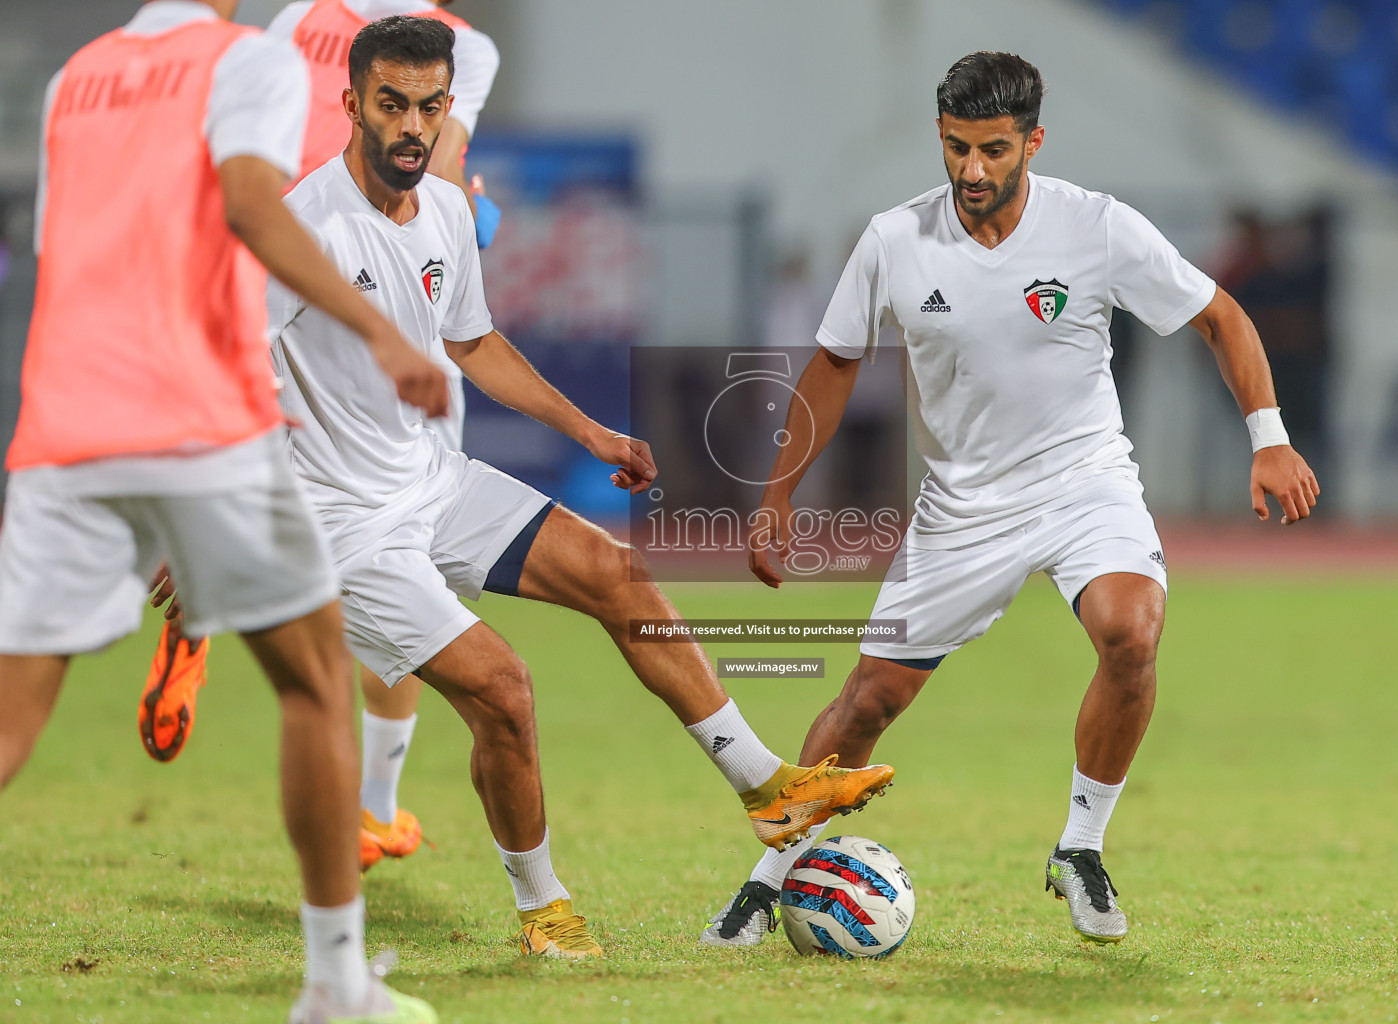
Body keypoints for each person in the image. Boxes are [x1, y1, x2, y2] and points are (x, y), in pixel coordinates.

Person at [270, 16, 895, 958]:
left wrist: (592, 430)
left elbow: (473, 343)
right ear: (350, 103)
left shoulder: (441, 210)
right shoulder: (301, 228)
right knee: (504, 692)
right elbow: (221, 365)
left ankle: (768, 790)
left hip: (431, 482)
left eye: (429, 109)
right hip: (346, 529)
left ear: (448, 113)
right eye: (390, 104)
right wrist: (203, 519)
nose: (411, 126)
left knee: (618, 574)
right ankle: (542, 908)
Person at [699, 51, 1319, 949]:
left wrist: (1270, 439)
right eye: (955, 149)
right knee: (869, 702)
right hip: (962, 506)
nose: (972, 171)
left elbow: (1220, 314)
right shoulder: (894, 240)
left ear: (1034, 140)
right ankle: (770, 878)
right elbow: (835, 363)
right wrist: (778, 494)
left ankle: (1081, 846)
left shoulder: (1096, 228)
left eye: (993, 149)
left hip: (1084, 479)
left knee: (1131, 633)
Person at [0, 2, 449, 1021]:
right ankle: (336, 984)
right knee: (312, 679)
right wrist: (378, 332)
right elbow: (250, 203)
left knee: (11, 721)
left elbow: (58, 242)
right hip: (199, 424)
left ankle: (190, 620)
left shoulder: (79, 73)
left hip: (63, 424)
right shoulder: (250, 61)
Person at [135, 0, 505, 880]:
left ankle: (208, 588)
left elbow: (236, 129)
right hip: (335, 277)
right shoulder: (464, 48)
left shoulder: (301, 15)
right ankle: (371, 808)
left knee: (341, 520)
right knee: (399, 543)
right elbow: (435, 169)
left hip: (290, 272)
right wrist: (475, 217)